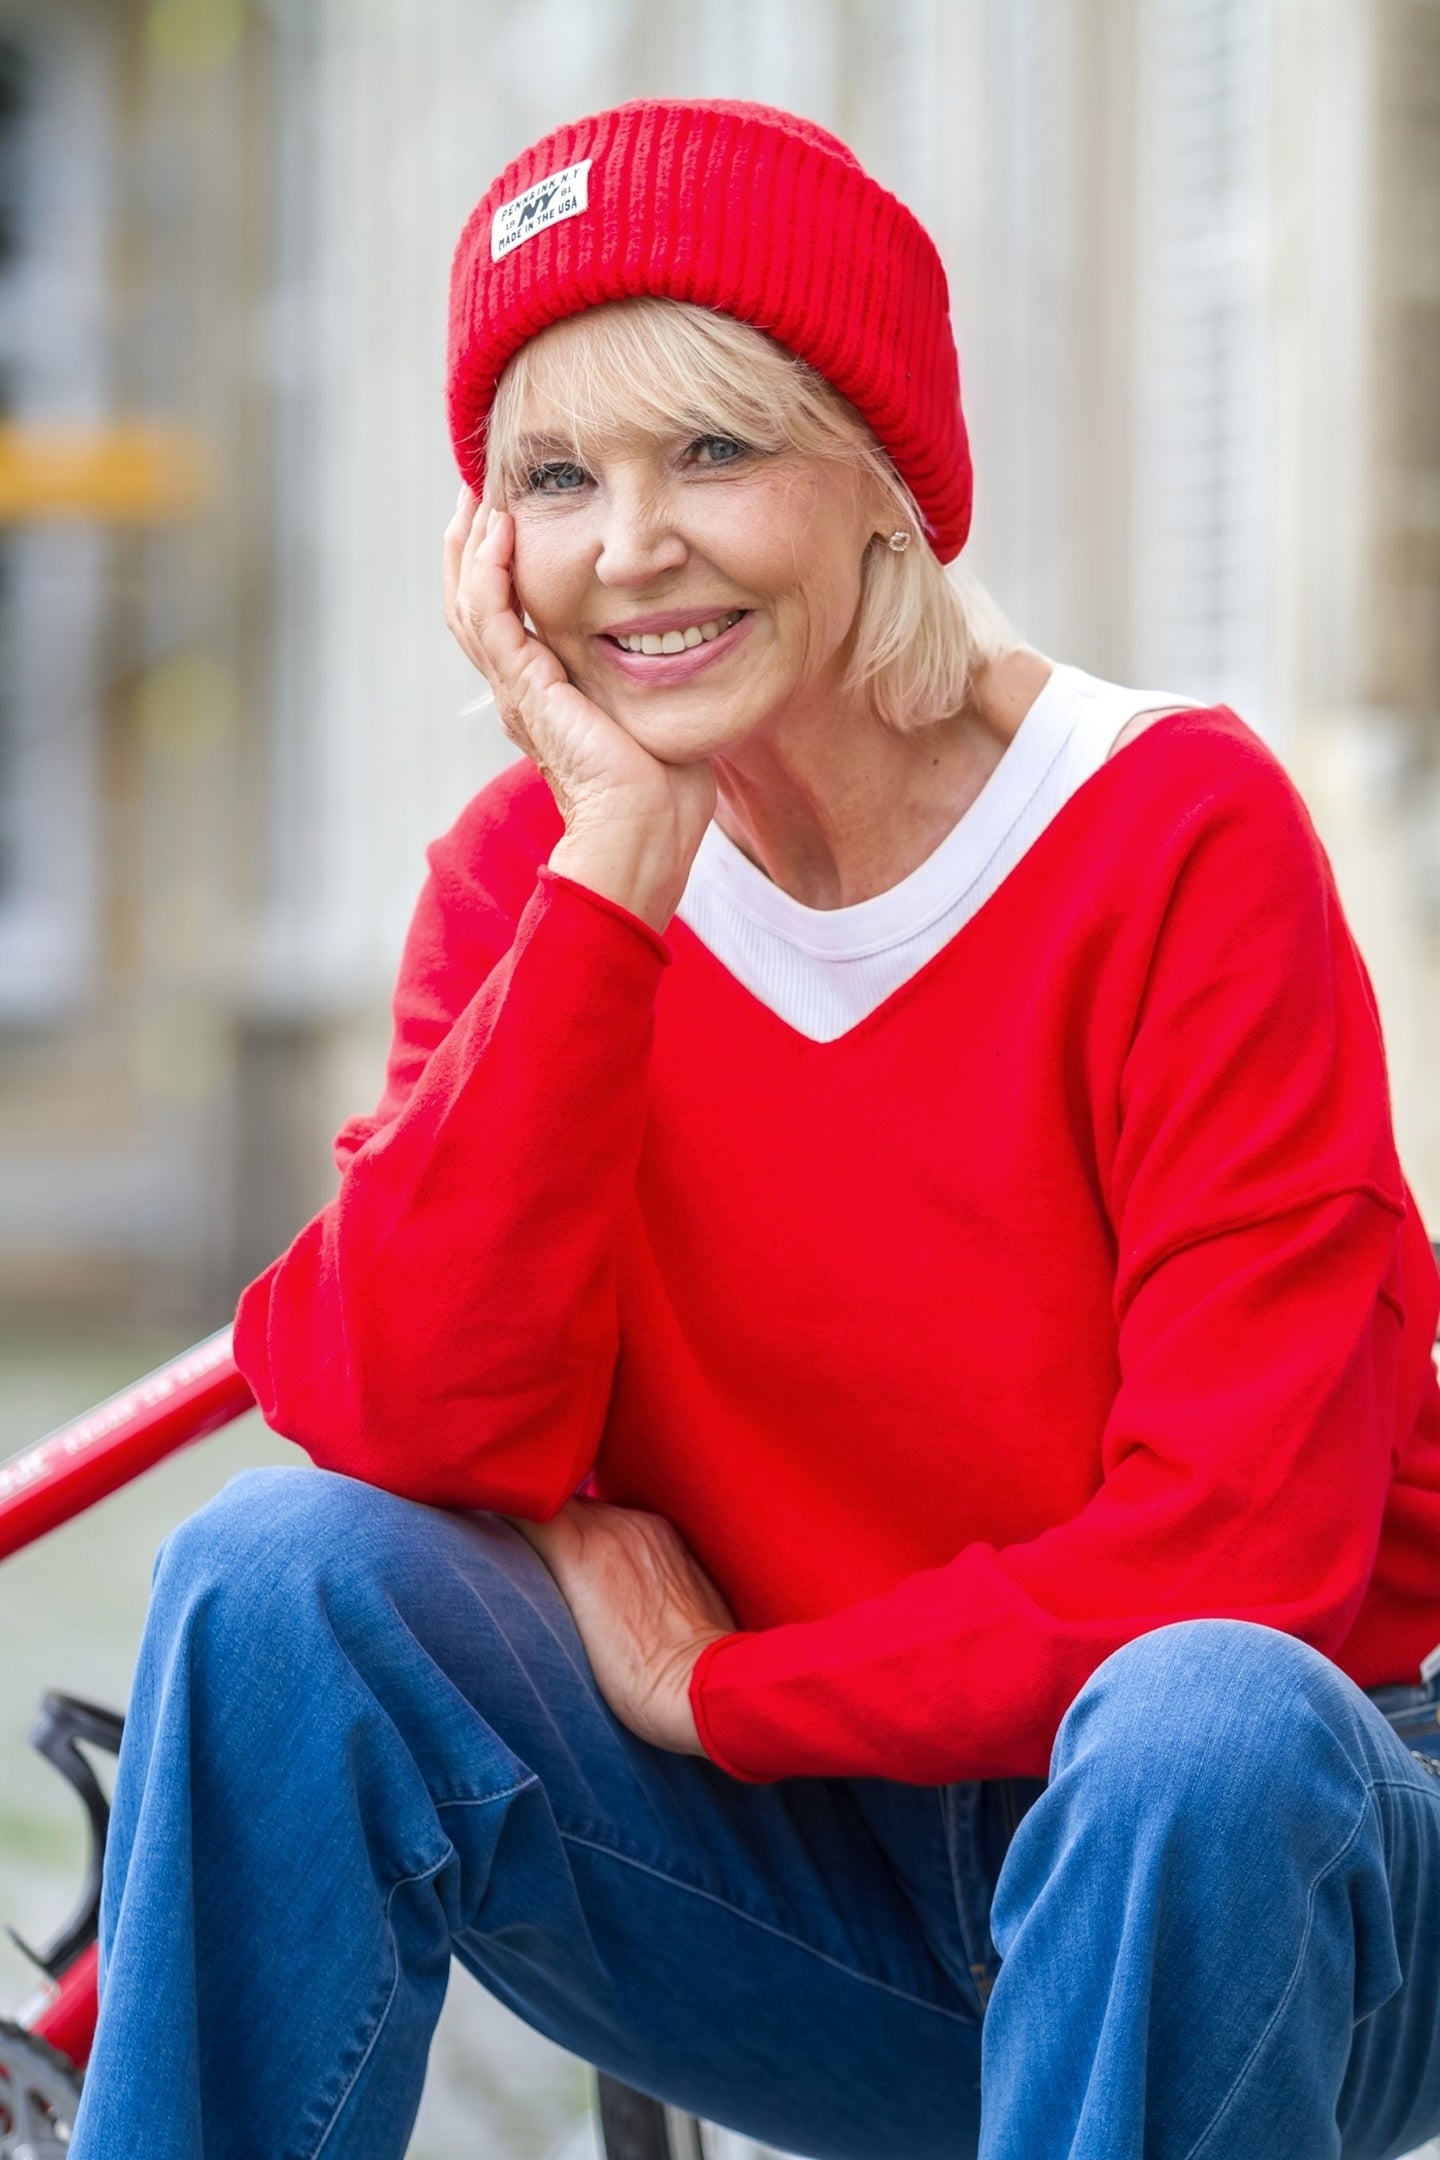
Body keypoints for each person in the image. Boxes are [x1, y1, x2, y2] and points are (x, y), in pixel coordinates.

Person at [71, 99, 1440, 2160]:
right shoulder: (531, 879)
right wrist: (617, 863)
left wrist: (727, 1697)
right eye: (555, 476)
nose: (630, 547)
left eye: (714, 449)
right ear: (486, 553)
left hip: (1262, 1895)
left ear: (883, 483)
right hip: (811, 1907)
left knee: (1200, 1722)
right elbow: (409, 1424)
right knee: (277, 1583)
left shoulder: (1171, 837)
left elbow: (1240, 1560)